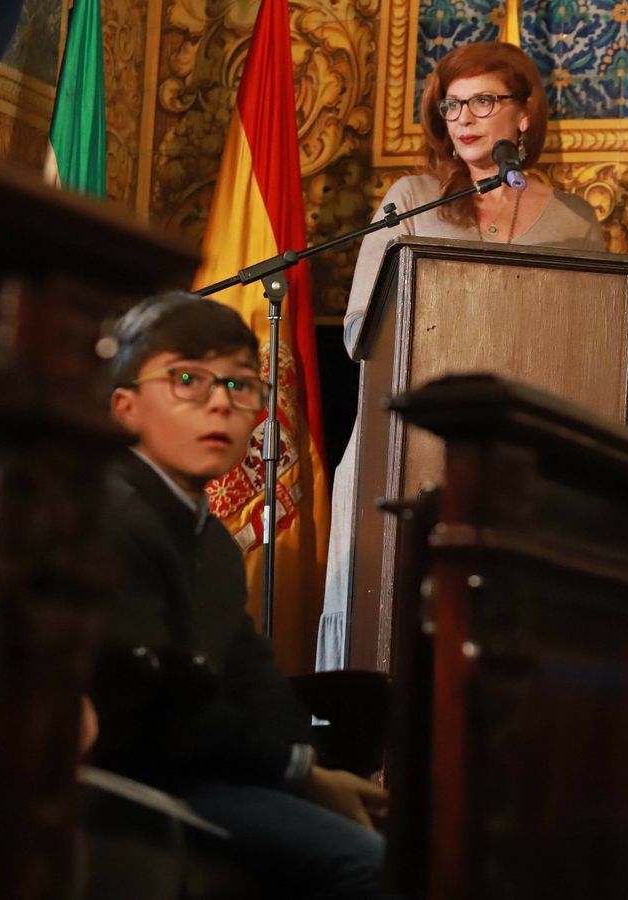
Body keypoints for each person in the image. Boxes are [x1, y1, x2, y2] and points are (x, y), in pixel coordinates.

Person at [90, 292, 391, 900]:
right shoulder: (110, 517)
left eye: (240, 384)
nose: (222, 402)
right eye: (188, 380)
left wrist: (307, 764)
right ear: (126, 408)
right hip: (135, 783)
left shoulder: (210, 536)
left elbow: (254, 675)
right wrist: (295, 773)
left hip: (208, 772)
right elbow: (156, 700)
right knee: (371, 864)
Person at [317, 41, 606, 670]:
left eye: (483, 102)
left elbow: (589, 345)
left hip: (518, 456)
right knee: (393, 636)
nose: (464, 119)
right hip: (404, 444)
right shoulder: (410, 199)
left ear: (524, 113)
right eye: (452, 105)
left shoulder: (574, 222)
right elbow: (357, 331)